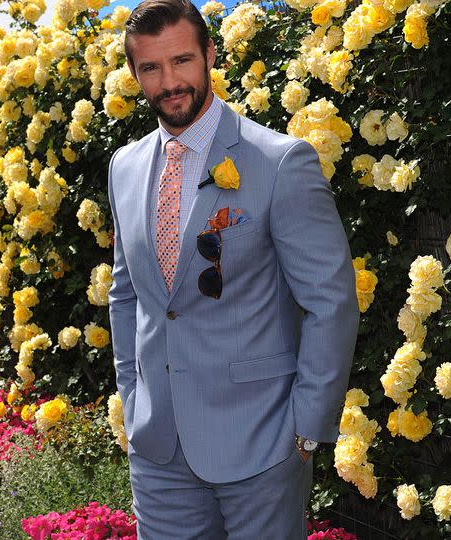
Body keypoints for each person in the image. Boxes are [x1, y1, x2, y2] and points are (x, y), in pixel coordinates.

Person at [106, 0, 359, 536]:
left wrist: (307, 430)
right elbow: (127, 296)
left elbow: (330, 301)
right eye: (151, 68)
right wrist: (133, 400)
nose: (169, 81)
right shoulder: (124, 168)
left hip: (263, 446)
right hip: (157, 451)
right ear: (134, 75)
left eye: (182, 61)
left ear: (209, 56)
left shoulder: (279, 162)